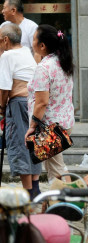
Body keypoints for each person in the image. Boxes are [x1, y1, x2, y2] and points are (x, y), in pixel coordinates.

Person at [24, 24, 74, 183]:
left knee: (56, 170)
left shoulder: (44, 68)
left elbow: (42, 103)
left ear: (42, 45)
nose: (31, 42)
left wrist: (32, 126)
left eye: (33, 39)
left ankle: (66, 204)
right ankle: (55, 203)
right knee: (56, 166)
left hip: (49, 126)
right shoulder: (62, 62)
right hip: (64, 122)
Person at [0, 23, 41, 199]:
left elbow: (4, 87)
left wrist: (1, 107)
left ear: (5, 39)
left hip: (18, 103)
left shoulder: (8, 55)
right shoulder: (26, 52)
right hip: (32, 102)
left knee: (20, 144)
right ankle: (35, 188)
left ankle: (27, 192)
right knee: (33, 143)